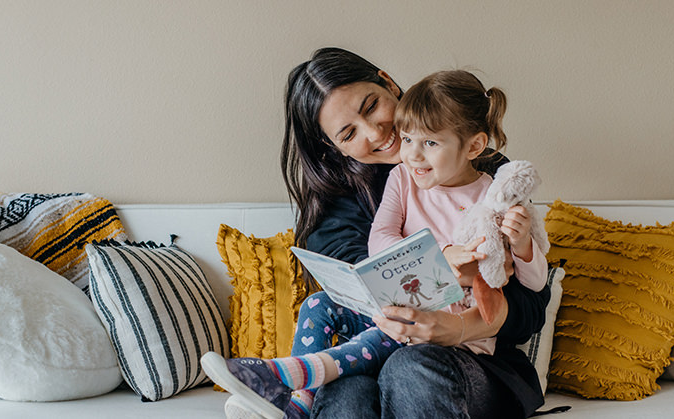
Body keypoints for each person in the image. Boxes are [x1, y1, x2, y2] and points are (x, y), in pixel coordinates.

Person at [202, 48, 550, 419]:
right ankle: (297, 402)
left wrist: (457, 327)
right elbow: (369, 290)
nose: (376, 132)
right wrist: (437, 262)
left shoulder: (485, 174)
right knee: (346, 394)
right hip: (371, 349)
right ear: (333, 147)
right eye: (349, 133)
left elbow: (529, 307)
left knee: (410, 368)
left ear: (388, 83)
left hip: (467, 359)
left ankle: (290, 383)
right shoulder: (338, 210)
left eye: (371, 106)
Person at [369, 69, 548, 358]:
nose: (413, 155)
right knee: (320, 305)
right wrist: (440, 256)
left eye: (430, 143)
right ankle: (299, 394)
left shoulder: (493, 198)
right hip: (401, 310)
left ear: (474, 146)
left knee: (389, 353)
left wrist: (522, 243)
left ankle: (315, 373)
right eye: (406, 139)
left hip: (458, 333)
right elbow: (378, 241)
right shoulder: (402, 178)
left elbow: (536, 284)